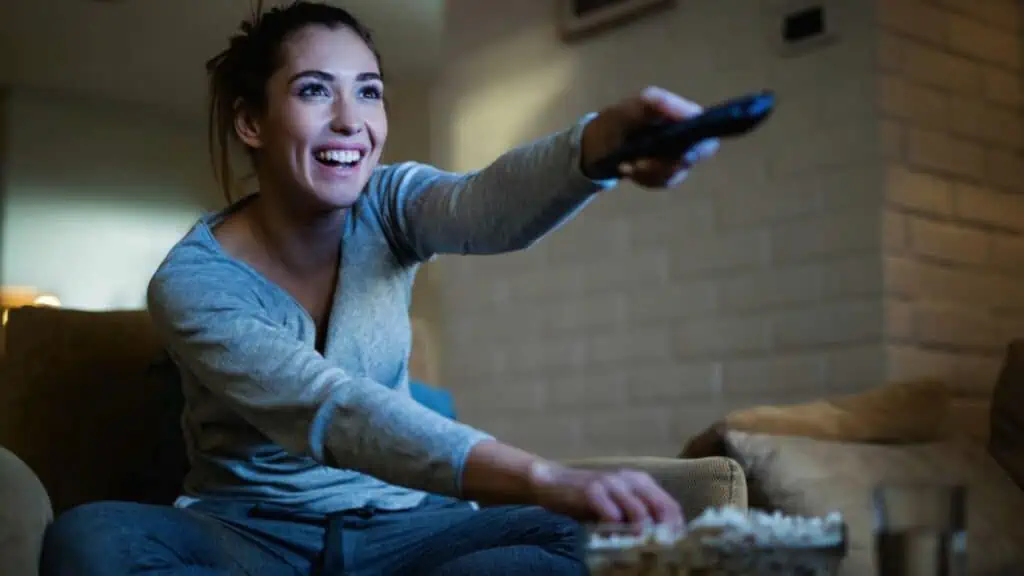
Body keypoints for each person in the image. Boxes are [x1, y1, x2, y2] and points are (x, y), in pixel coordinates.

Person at [40, 2, 720, 575]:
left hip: (406, 527)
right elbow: (332, 410)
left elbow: (486, 206)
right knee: (92, 539)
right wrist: (545, 476)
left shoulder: (389, 202)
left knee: (589, 543)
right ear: (252, 122)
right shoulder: (192, 281)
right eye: (314, 90)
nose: (351, 120)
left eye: (368, 90)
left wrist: (600, 144)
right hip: (252, 538)